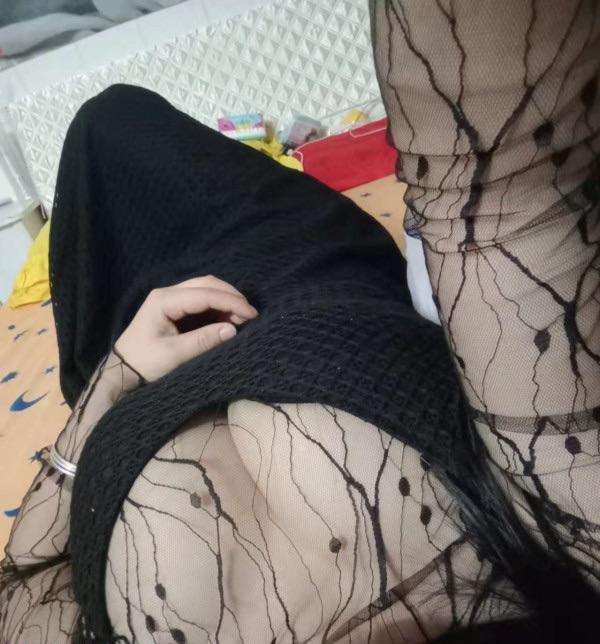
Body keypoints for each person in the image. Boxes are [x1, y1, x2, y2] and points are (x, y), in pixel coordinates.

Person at [1, 2, 599, 643]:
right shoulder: (566, 539)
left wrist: (111, 381)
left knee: (102, 130)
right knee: (117, 119)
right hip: (295, 257)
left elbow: (17, 590)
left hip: (134, 336)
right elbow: (504, 184)